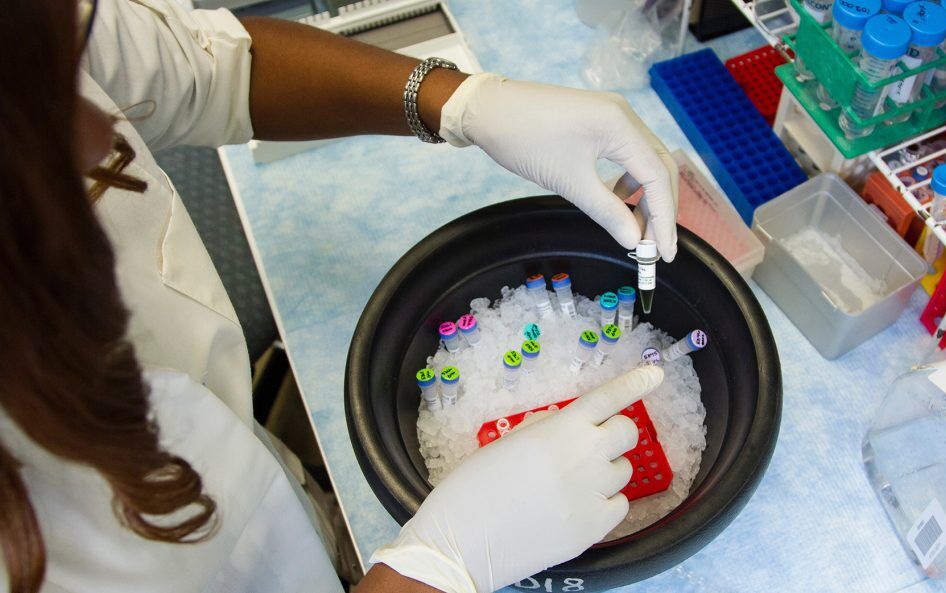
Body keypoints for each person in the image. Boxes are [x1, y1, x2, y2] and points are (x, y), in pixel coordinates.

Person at [0, 1, 676, 591]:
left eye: (67, 76)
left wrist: (462, 101)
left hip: (252, 488)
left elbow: (208, 68)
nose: (104, 131)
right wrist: (438, 567)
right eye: (40, 121)